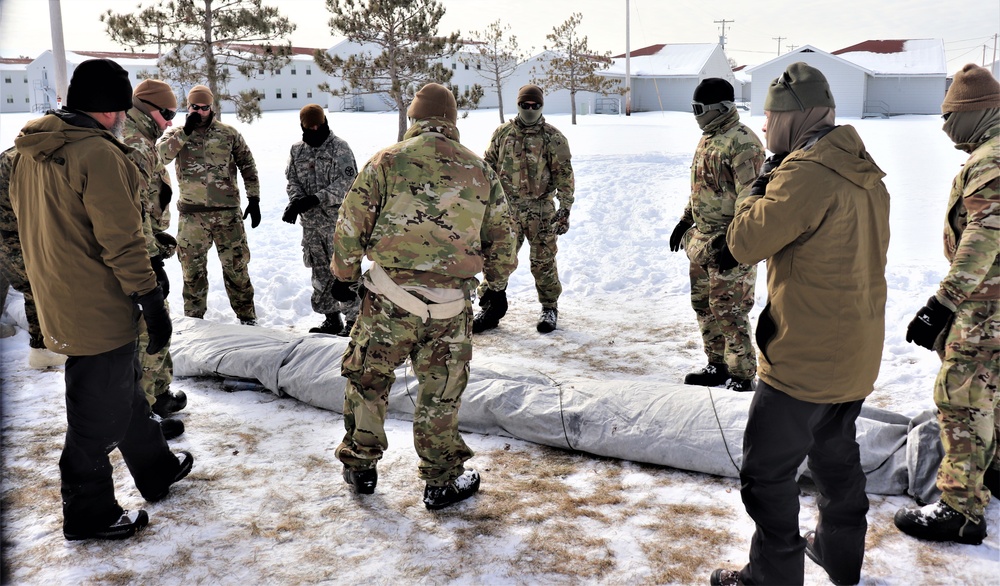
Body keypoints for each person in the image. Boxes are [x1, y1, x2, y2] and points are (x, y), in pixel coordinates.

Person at [710, 62, 890, 586]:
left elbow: (744, 243)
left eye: (770, 116)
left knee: (766, 473)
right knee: (835, 460)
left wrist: (759, 185)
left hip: (804, 359)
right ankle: (840, 556)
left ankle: (771, 578)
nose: (765, 128)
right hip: (853, 352)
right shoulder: (862, 169)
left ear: (794, 118)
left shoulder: (803, 173)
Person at [9, 58, 192, 541]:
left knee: (122, 388)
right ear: (112, 108)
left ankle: (155, 468)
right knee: (95, 415)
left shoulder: (31, 149)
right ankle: (89, 511)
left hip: (58, 293)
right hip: (97, 302)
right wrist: (150, 299)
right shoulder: (99, 154)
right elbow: (123, 241)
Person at [331, 83, 516, 509]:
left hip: (389, 301)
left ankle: (360, 465)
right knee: (441, 394)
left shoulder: (387, 161)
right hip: (450, 305)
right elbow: (504, 238)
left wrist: (344, 274)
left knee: (369, 380)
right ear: (452, 122)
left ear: (414, 118)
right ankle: (441, 480)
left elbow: (350, 222)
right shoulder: (481, 171)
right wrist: (497, 286)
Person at [893, 63, 999, 546]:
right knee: (991, 391)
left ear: (975, 112)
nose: (943, 126)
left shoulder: (993, 161)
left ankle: (959, 509)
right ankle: (993, 474)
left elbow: (982, 238)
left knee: (959, 397)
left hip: (984, 306)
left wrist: (943, 303)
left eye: (949, 115)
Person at [669, 78, 764, 392]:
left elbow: (750, 199)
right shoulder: (709, 138)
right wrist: (685, 221)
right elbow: (702, 190)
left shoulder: (743, 143)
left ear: (720, 109)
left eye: (698, 109)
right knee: (704, 306)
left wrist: (732, 242)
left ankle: (742, 375)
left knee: (729, 310)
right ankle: (718, 364)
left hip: (730, 245)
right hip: (702, 241)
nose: (695, 115)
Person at [474, 84, 573, 334]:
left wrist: (565, 208)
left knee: (543, 260)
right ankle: (489, 304)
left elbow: (564, 174)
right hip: (507, 210)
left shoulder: (553, 137)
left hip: (541, 210)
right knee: (499, 259)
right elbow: (488, 168)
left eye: (535, 105)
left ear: (541, 106)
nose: (530, 109)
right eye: (525, 105)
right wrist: (482, 205)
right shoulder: (502, 134)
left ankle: (549, 307)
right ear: (518, 105)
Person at [158, 84, 260, 325]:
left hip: (228, 216)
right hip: (192, 218)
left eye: (204, 108)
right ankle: (195, 322)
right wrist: (185, 133)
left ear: (211, 107)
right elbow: (161, 157)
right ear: (188, 107)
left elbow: (248, 164)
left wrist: (254, 198)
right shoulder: (175, 134)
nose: (200, 112)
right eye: (195, 107)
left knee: (237, 269)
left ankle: (248, 319)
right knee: (192, 272)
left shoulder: (228, 134)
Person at [121, 79, 187, 440]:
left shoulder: (144, 133)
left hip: (151, 245)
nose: (170, 122)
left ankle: (159, 393)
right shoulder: (132, 139)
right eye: (168, 114)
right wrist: (150, 258)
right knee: (147, 331)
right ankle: (146, 413)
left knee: (158, 326)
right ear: (151, 108)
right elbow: (132, 211)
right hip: (139, 253)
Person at [283, 104, 359, 335]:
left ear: (325, 123)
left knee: (342, 272)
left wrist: (316, 199)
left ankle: (354, 320)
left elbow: (349, 183)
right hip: (311, 226)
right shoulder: (297, 151)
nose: (315, 129)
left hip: (337, 224)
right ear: (303, 127)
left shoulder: (340, 148)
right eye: (310, 127)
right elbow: (292, 179)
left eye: (319, 125)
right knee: (319, 272)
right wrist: (297, 202)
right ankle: (331, 318)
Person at [0, 145, 67, 369]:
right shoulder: (29, 160)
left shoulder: (20, 152)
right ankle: (41, 351)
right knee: (35, 284)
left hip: (12, 230)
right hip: (10, 233)